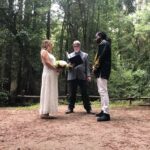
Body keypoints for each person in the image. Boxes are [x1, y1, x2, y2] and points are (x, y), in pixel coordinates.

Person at [65, 40, 93, 114]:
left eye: (77, 45)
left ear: (79, 46)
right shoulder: (70, 55)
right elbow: (67, 66)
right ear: (73, 46)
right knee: (71, 93)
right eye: (74, 46)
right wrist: (70, 66)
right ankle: (70, 108)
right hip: (72, 76)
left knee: (85, 93)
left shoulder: (85, 55)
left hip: (82, 76)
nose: (76, 47)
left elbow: (87, 66)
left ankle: (88, 109)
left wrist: (88, 75)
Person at [92, 31, 111, 121]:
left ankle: (106, 114)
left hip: (103, 71)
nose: (96, 38)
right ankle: (103, 111)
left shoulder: (105, 44)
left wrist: (95, 67)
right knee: (101, 91)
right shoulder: (102, 44)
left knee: (103, 91)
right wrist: (95, 67)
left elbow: (101, 57)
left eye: (96, 37)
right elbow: (98, 57)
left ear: (100, 36)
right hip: (100, 71)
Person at [39, 39, 59, 119]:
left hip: (51, 74)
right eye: (51, 46)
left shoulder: (48, 53)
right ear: (47, 45)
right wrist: (55, 68)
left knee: (50, 91)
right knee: (47, 90)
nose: (51, 47)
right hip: (48, 74)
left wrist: (58, 67)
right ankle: (45, 112)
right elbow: (47, 63)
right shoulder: (44, 51)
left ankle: (47, 112)